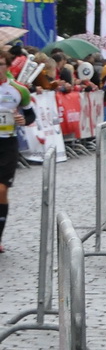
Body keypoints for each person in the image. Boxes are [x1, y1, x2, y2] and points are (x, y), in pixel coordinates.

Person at [0, 68, 35, 251]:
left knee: (2, 190)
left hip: (7, 144)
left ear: (5, 67)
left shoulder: (18, 89)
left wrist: (24, 120)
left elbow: (31, 115)